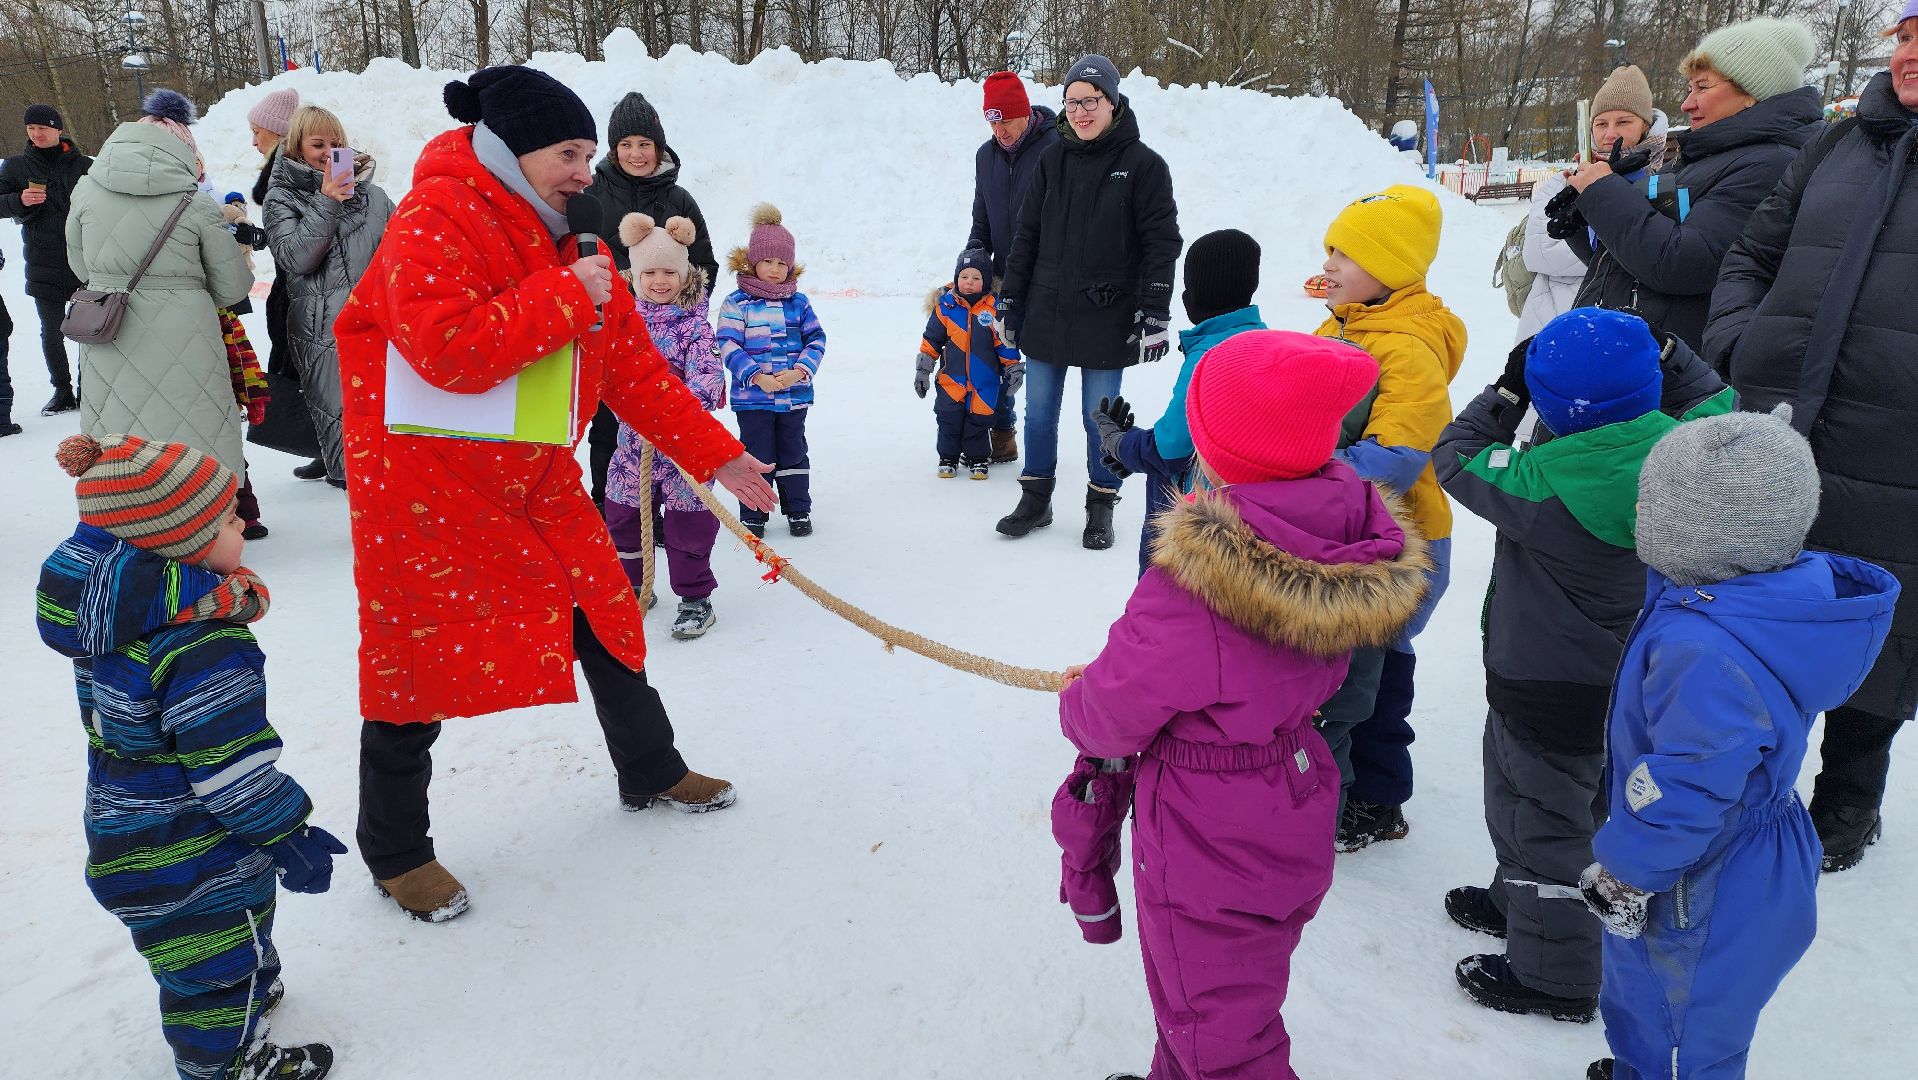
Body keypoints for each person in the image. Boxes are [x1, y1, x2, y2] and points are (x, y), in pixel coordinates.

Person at [334, 65, 775, 921]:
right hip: (428, 492)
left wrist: (715, 456)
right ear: (510, 149)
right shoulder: (433, 217)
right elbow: (444, 348)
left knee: (604, 612)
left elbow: (633, 371)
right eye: (569, 154)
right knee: (414, 666)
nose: (586, 169)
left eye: (588, 153)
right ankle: (395, 851)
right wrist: (566, 294)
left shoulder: (576, 235)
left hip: (531, 478)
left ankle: (650, 766)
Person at [1059, 330, 1430, 1080]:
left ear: (1219, 444)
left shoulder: (1202, 581)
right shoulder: (1339, 532)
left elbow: (1109, 711)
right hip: (1291, 789)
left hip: (1207, 826)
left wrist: (1081, 694)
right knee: (1214, 996)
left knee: (1217, 1025)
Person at [1580, 407, 1898, 1080]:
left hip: (1704, 868)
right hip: (1748, 849)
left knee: (1677, 1024)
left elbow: (1692, 783)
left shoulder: (1707, 648)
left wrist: (1628, 871)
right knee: (1692, 1013)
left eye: (1652, 505)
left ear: (1698, 532)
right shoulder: (1771, 590)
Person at [1434, 309, 1731, 1024]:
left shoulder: (1540, 481)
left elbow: (1456, 454)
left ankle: (1554, 974)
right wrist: (1672, 353)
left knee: (1539, 822)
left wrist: (1507, 391)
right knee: (1579, 805)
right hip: (1633, 686)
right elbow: (1718, 402)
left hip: (1542, 688)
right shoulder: (1686, 455)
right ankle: (1521, 901)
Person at [35, 432, 344, 1080]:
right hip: (189, 844)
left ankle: (249, 989)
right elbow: (229, 771)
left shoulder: (117, 620)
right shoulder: (201, 644)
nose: (242, 523)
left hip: (125, 820)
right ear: (179, 543)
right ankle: (228, 1061)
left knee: (223, 936)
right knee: (212, 959)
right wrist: (289, 833)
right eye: (230, 518)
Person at [1704, 2, 1918, 874]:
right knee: (1762, 614)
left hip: (1900, 458)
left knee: (1889, 628)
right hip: (1781, 429)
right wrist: (1737, 341)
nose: (1909, 54)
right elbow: (1751, 255)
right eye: (1905, 35)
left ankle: (1848, 802)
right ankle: (1739, 785)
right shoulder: (1836, 145)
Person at [1310, 184, 1466, 852]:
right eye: (1331, 249)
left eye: (1348, 252)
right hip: (1348, 536)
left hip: (1403, 548)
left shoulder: (1407, 348)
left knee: (1378, 682)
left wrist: (1302, 471)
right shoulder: (1342, 324)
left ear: (1392, 268)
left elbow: (1395, 460)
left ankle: (1378, 800)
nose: (1332, 263)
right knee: (1351, 675)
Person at [997, 54, 1182, 550]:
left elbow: (1161, 243)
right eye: (1072, 102)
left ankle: (1101, 502)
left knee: (1097, 415)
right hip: (1046, 309)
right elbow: (1026, 236)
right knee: (1038, 413)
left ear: (1112, 101)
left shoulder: (1144, 166)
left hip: (1108, 312)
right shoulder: (1050, 160)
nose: (1080, 112)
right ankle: (1035, 498)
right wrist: (1009, 299)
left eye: (1091, 101)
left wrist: (1155, 310)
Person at [1554, 17, 1822, 349]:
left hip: (1679, 373)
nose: (1686, 103)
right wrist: (1586, 218)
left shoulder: (1769, 164)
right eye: (1689, 87)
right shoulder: (1704, 156)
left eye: (1703, 87)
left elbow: (1682, 264)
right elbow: (1636, 263)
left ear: (1753, 92)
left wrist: (1605, 196)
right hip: (1638, 357)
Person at [65, 89, 254, 474]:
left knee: (120, 437)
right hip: (188, 336)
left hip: (108, 329)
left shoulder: (85, 190)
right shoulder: (195, 201)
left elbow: (79, 265)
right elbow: (232, 287)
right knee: (196, 435)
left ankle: (129, 517)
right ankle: (208, 519)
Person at [1094, 228, 1266, 575]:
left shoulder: (1209, 353)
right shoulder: (1261, 340)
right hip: (1243, 523)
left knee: (1165, 608)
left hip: (1190, 526)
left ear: (1195, 291)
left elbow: (1170, 449)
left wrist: (1122, 444)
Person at [586, 90, 719, 505]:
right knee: (609, 424)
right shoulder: (592, 194)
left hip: (667, 339)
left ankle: (664, 507)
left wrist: (682, 316)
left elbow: (705, 265)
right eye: (626, 145)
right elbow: (575, 255)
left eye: (644, 144)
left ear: (658, 148)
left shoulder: (679, 199)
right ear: (614, 149)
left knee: (663, 420)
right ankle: (609, 506)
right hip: (609, 330)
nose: (636, 154)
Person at [605, 211, 726, 640]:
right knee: (622, 517)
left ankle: (695, 598)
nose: (660, 281)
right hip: (631, 450)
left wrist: (670, 411)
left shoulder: (695, 326)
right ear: (634, 276)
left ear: (685, 274)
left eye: (669, 272)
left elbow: (709, 382)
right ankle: (633, 585)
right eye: (649, 272)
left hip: (683, 450)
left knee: (687, 524)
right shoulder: (620, 322)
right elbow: (607, 377)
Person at [263, 104, 394, 488]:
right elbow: (295, 257)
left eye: (336, 144)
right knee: (339, 422)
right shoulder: (281, 198)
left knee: (387, 420)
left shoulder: (374, 196)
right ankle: (357, 520)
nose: (327, 152)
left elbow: (401, 250)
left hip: (377, 324)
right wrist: (328, 201)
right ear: (296, 148)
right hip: (323, 329)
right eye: (317, 143)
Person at [1518, 67, 1668, 341]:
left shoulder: (1666, 184)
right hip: (1553, 322)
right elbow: (1538, 252)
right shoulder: (1564, 182)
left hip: (1629, 332)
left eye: (1623, 122)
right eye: (1601, 124)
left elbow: (1667, 260)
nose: (1610, 134)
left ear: (1646, 126)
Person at [966, 70, 1059, 465]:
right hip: (1004, 276)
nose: (999, 129)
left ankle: (1041, 452)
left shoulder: (1055, 148)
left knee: (1037, 369)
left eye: (1005, 118)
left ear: (1024, 113)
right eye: (992, 119)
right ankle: (1002, 433)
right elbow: (982, 217)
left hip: (1045, 277)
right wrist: (972, 260)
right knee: (993, 353)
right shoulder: (985, 156)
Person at [719, 202, 827, 539]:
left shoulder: (799, 303)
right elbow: (728, 343)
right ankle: (754, 512)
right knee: (757, 453)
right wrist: (756, 376)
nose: (775, 269)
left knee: (793, 450)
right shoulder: (737, 303)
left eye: (783, 262)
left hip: (794, 397)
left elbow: (817, 339)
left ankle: (797, 509)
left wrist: (800, 371)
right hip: (754, 399)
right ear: (753, 261)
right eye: (768, 261)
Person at [243, 87, 324, 481]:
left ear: (277, 132)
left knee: (314, 374)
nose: (253, 140)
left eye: (257, 131)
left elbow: (306, 241)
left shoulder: (295, 175)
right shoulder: (283, 177)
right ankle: (321, 447)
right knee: (303, 373)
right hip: (291, 289)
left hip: (308, 290)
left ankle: (325, 447)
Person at [1, 103, 91, 416]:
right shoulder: (15, 167)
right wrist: (18, 200)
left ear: (58, 129)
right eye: (31, 128)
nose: (37, 134)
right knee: (51, 331)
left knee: (89, 331)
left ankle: (88, 389)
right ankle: (62, 390)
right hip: (42, 260)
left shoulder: (85, 165)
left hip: (84, 260)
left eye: (43, 128)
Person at [914, 247, 1020, 479]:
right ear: (956, 278)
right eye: (964, 277)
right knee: (948, 418)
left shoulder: (993, 308)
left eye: (975, 278)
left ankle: (978, 458)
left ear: (985, 281)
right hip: (952, 378)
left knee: (979, 420)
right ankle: (948, 457)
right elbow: (932, 339)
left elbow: (1004, 343)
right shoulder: (946, 306)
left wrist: (1013, 367)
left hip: (985, 380)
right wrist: (923, 368)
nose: (969, 283)